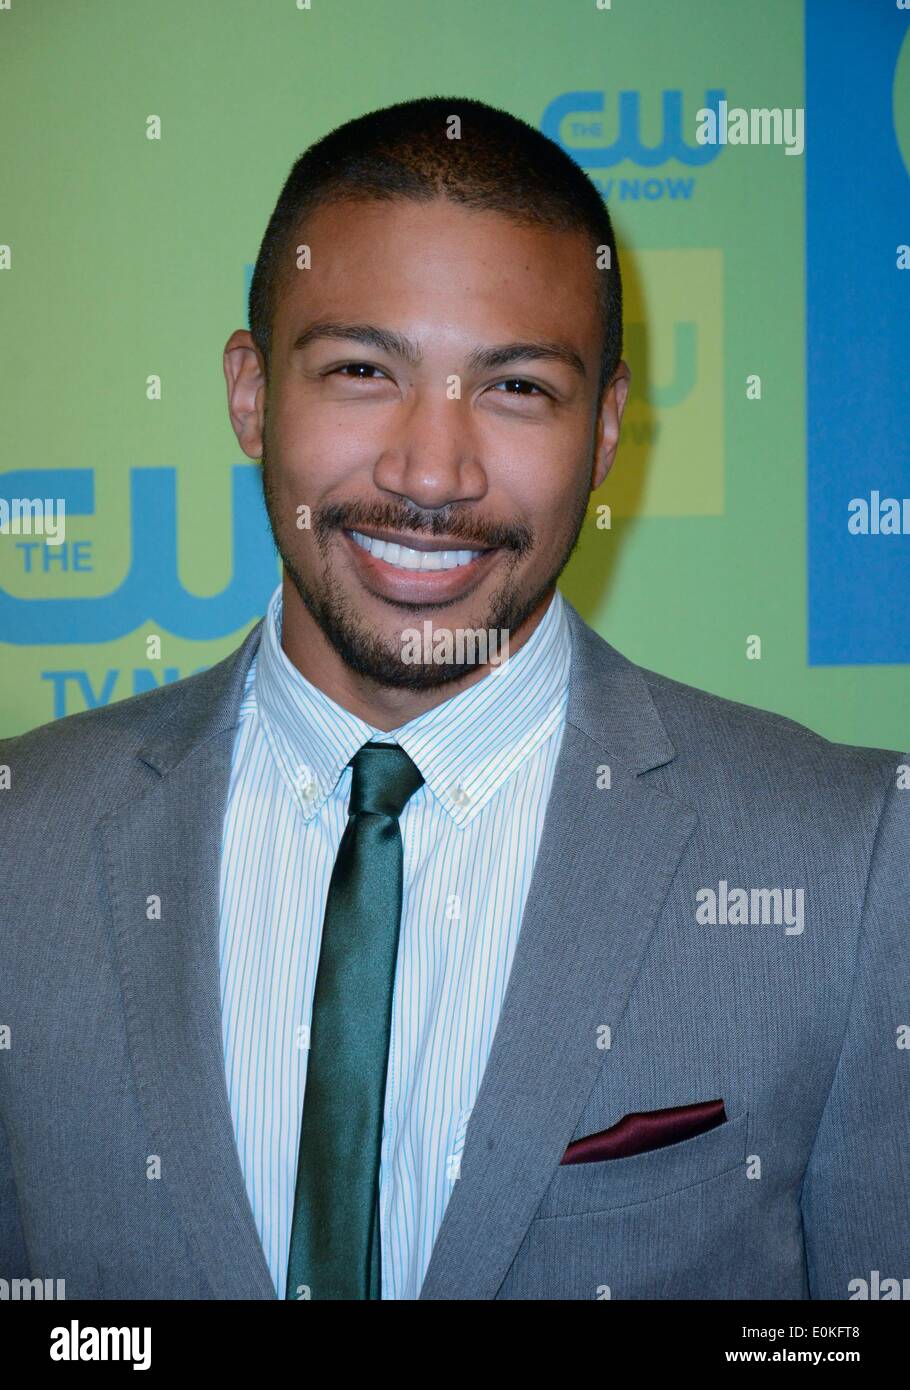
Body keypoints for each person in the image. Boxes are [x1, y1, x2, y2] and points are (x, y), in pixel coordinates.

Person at [1, 96, 907, 1302]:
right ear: (251, 393)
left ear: (605, 432)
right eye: (363, 370)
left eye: (517, 387)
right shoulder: (23, 838)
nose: (432, 473)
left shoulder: (850, 861)